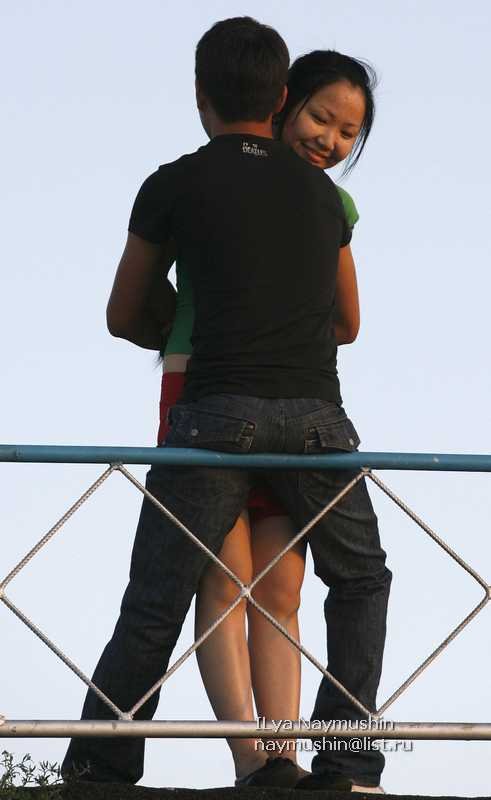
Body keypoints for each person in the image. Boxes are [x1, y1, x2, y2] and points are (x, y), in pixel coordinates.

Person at [62, 16, 391, 792]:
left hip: (211, 407)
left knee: (163, 594)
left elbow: (124, 313)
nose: (330, 138)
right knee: (356, 580)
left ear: (199, 94)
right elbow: (347, 323)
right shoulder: (324, 199)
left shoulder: (175, 183)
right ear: (280, 98)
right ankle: (342, 756)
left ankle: (105, 761)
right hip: (313, 418)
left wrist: (184, 322)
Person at [156, 49, 377, 788]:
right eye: (320, 117)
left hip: (294, 405)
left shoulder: (330, 206)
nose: (330, 140)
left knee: (282, 585)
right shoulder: (209, 182)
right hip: (205, 389)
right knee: (225, 577)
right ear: (282, 102)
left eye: (348, 132)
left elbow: (348, 321)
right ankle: (250, 756)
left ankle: (285, 754)